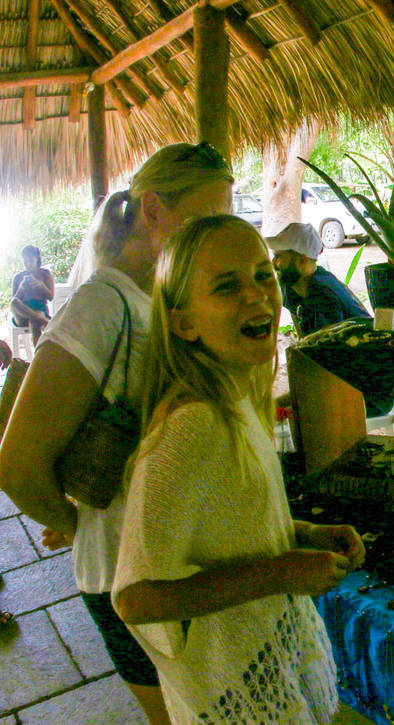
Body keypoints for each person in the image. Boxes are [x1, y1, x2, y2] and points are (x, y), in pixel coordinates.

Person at [0, 142, 234, 725]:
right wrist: (81, 526)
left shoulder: (154, 296)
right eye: (207, 219)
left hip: (172, 558)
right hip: (129, 578)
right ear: (153, 211)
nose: (217, 236)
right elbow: (16, 463)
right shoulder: (100, 305)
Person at [112, 214, 364, 723]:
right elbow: (136, 599)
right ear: (184, 322)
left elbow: (228, 528)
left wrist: (305, 533)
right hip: (232, 688)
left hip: (267, 655)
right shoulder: (193, 425)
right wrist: (279, 572)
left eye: (263, 275)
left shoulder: (235, 391)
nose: (256, 296)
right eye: (226, 286)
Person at [266, 222, 369, 336]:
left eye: (278, 256)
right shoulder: (290, 282)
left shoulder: (322, 295)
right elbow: (303, 337)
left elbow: (327, 347)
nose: (273, 263)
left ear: (302, 261)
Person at [11, 245, 55, 344]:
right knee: (14, 302)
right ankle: (39, 318)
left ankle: (38, 356)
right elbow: (14, 301)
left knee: (35, 322)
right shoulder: (18, 277)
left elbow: (51, 297)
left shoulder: (45, 274)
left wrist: (41, 285)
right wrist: (21, 288)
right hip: (22, 314)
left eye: (30, 261)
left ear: (37, 259)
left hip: (39, 309)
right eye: (25, 262)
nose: (27, 265)